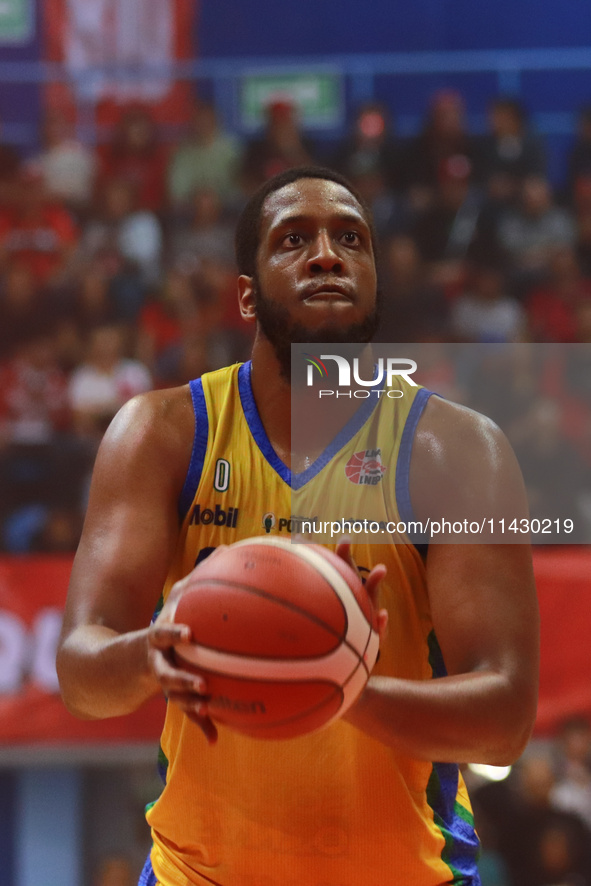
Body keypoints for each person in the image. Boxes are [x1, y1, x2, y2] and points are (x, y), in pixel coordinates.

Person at [56, 166, 539, 886]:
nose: (326, 254)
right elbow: (79, 670)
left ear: (373, 278)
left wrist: (336, 682)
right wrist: (150, 655)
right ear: (246, 294)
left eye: (351, 238)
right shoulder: (161, 434)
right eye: (293, 240)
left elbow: (502, 714)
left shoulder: (456, 449)